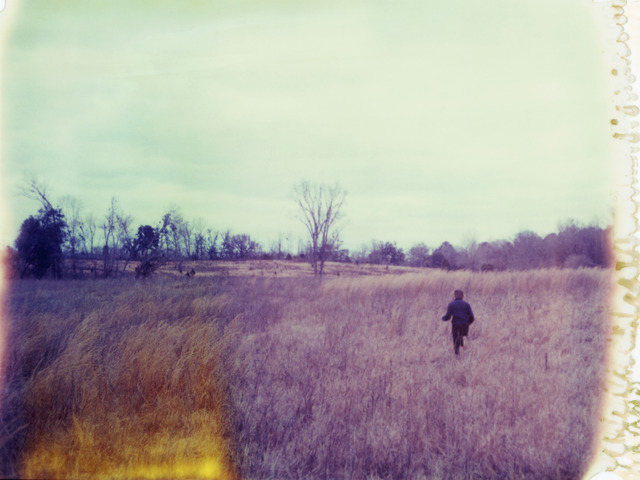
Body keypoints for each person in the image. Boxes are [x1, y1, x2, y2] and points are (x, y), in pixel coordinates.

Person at [441, 289, 475, 355]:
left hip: (455, 324)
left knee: (456, 340)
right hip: (465, 324)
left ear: (455, 295)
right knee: (463, 339)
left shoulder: (451, 304)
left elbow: (448, 317)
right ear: (463, 296)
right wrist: (468, 323)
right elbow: (472, 317)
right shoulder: (467, 305)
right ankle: (465, 355)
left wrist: (443, 318)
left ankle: (457, 355)